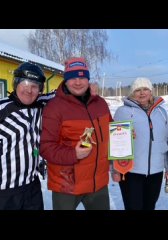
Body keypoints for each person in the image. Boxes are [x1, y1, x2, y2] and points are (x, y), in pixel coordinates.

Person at [0, 62, 55, 210]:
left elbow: (62, 92)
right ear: (16, 84)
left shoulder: (39, 105)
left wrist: (86, 87)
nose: (29, 90)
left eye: (34, 86)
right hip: (1, 192)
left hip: (31, 188)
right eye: (25, 84)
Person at [40, 57, 112, 210]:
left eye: (82, 77)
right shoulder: (54, 108)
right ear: (65, 80)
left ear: (88, 79)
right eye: (72, 78)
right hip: (67, 184)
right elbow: (46, 148)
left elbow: (110, 131)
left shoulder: (100, 103)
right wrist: (74, 154)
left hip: (97, 183)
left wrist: (125, 136)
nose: (77, 82)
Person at [112, 77, 168, 210]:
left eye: (145, 89)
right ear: (132, 93)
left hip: (156, 171)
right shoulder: (123, 112)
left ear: (151, 92)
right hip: (131, 171)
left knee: (150, 206)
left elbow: (166, 141)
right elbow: (115, 143)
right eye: (138, 90)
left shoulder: (161, 113)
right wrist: (115, 170)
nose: (142, 93)